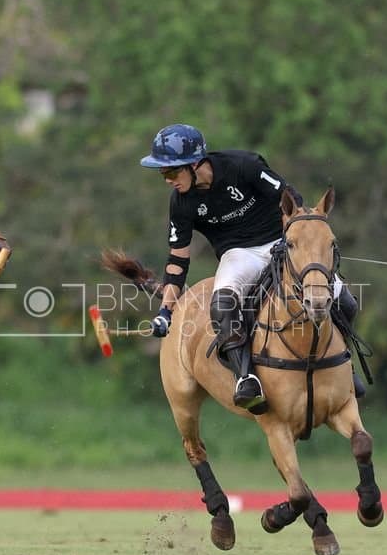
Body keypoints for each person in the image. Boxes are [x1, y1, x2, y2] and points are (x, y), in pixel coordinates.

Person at [139, 123, 365, 414]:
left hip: (281, 243)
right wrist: (165, 312)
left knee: (345, 302)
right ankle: (246, 378)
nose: (168, 180)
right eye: (163, 174)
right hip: (238, 254)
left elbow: (292, 202)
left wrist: (299, 243)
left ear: (194, 164)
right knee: (222, 304)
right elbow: (177, 261)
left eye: (171, 172)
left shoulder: (244, 166)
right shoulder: (181, 203)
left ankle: (345, 367)